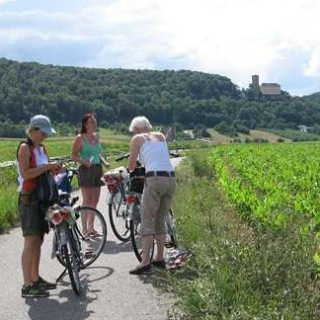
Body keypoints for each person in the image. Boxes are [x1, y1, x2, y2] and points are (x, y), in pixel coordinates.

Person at [17, 114, 61, 298]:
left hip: (42, 199)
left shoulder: (41, 148)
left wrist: (55, 168)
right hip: (29, 199)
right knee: (30, 241)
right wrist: (46, 167)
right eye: (43, 133)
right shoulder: (25, 148)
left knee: (39, 240)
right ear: (33, 130)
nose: (45, 136)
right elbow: (26, 174)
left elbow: (44, 170)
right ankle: (27, 285)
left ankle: (35, 278)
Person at [127, 116, 176, 274]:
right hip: (170, 178)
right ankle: (160, 257)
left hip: (154, 178)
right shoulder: (160, 136)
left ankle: (145, 261)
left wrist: (129, 170)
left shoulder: (137, 138)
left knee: (147, 219)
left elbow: (131, 165)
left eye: (133, 131)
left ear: (137, 129)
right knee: (160, 218)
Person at [71, 112, 108, 238]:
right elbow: (73, 155)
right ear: (85, 124)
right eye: (92, 121)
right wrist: (84, 161)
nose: (94, 123)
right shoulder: (80, 138)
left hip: (97, 169)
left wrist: (104, 162)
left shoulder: (96, 136)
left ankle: (91, 228)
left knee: (95, 200)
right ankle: (84, 229)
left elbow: (98, 153)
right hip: (86, 170)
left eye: (95, 121)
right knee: (87, 199)